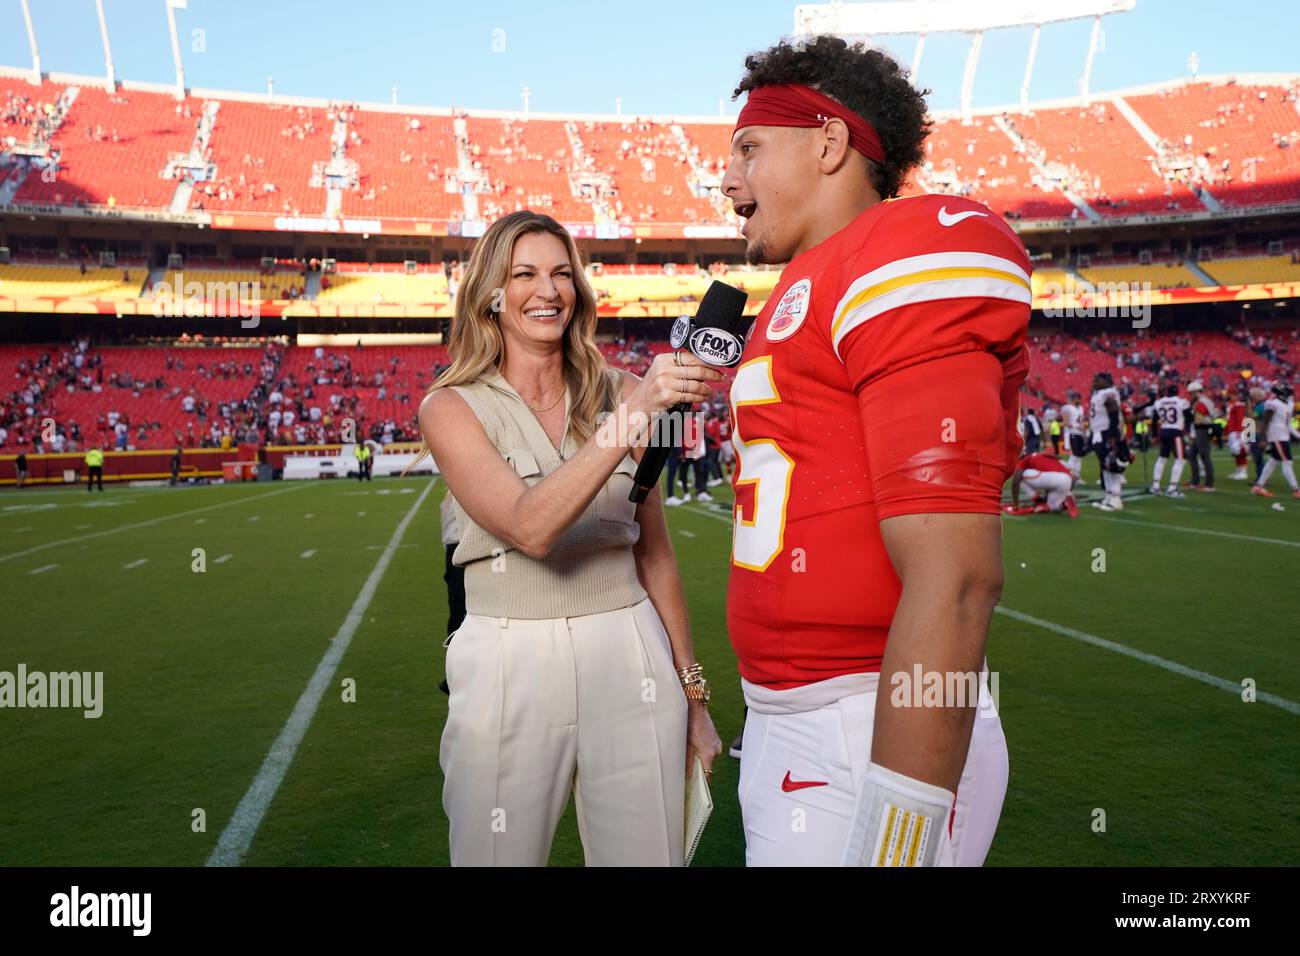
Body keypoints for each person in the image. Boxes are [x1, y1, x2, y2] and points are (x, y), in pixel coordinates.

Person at [720, 35, 1027, 867]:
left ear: (828, 143)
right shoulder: (802, 284)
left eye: (750, 148)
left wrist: (904, 831)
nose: (728, 179)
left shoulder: (902, 251)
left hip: (867, 721)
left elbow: (959, 577)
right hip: (794, 716)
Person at [414, 210, 724, 866]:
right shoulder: (450, 406)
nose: (547, 289)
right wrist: (633, 419)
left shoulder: (623, 389)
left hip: (630, 648)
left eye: (562, 273)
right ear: (492, 296)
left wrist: (694, 696)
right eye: (523, 274)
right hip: (508, 658)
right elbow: (531, 527)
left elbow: (655, 554)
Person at [1251, 381, 1300, 499]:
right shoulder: (1273, 404)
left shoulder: (1288, 404)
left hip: (1283, 436)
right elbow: (1265, 421)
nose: (1290, 395)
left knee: (1272, 462)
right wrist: (1263, 439)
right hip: (1276, 436)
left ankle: (1258, 486)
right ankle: (1296, 489)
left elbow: (1288, 425)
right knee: (1287, 462)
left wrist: (1298, 435)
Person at [1006, 452, 1078, 517]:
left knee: (1020, 477)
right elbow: (1074, 477)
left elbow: (1015, 482)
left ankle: (1038, 500)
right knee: (1052, 507)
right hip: (1068, 480)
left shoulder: (1024, 460)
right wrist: (1068, 491)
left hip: (1057, 478)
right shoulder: (1042, 455)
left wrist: (1016, 504)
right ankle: (1065, 503)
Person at [1148, 383, 1189, 498]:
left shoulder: (1158, 402)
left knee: (1162, 459)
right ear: (1177, 392)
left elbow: (1154, 420)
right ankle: (1172, 488)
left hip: (1164, 432)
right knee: (1180, 460)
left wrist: (1154, 435)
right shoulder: (1182, 402)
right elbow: (1189, 418)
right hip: (1176, 432)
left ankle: (1155, 485)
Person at [1185, 381, 1216, 491]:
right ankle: (1195, 481)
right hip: (1203, 430)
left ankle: (1209, 484)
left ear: (1195, 392)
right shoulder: (1205, 401)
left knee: (1204, 457)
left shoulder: (1201, 402)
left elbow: (1198, 420)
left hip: (1202, 430)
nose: (1190, 395)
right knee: (1192, 454)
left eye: (1191, 393)